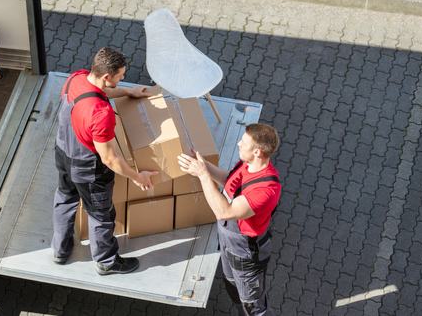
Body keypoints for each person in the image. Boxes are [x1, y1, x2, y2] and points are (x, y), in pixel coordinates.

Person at [51, 47, 158, 275]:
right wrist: (137, 176)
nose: (123, 78)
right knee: (101, 215)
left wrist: (129, 93)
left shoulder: (77, 78)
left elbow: (97, 93)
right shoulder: (101, 114)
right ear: (107, 76)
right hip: (88, 169)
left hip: (62, 153)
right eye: (120, 76)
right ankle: (106, 261)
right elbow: (109, 158)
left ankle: (60, 250)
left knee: (65, 199)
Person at [178, 123, 283, 315]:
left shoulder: (266, 190)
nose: (238, 144)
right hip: (228, 243)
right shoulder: (247, 164)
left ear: (258, 152)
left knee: (254, 307)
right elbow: (229, 180)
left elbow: (224, 212)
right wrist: (204, 165)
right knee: (231, 284)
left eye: (243, 142)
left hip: (245, 254)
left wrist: (202, 175)